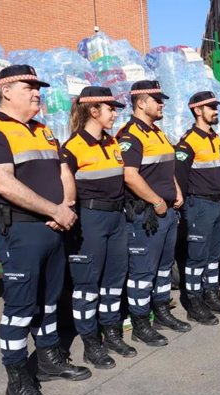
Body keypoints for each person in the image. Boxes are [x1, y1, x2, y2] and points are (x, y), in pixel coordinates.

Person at [0, 65, 90, 395]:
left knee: (50, 300)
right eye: (29, 86)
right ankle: (17, 378)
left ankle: (50, 357)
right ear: (6, 91)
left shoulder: (43, 130)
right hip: (21, 230)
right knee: (21, 309)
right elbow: (4, 184)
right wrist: (54, 210)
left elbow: (63, 171)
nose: (37, 92)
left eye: (39, 87)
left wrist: (64, 207)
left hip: (54, 227)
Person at [61, 86, 135, 370]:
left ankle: (112, 334)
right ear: (94, 111)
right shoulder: (72, 147)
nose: (115, 114)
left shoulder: (112, 143)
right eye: (110, 108)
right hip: (91, 220)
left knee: (114, 282)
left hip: (117, 220)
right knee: (88, 285)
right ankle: (91, 345)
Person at [118, 80, 191, 348]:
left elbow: (166, 166)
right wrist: (157, 200)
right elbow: (130, 176)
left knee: (162, 269)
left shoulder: (157, 132)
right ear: (140, 103)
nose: (162, 104)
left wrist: (176, 190)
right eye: (157, 99)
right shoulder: (129, 136)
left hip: (167, 212)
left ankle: (161, 313)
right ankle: (140, 324)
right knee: (142, 272)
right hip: (147, 214)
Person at [174, 91, 220, 325]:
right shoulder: (188, 141)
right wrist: (182, 210)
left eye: (216, 106)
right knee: (197, 257)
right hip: (198, 205)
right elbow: (179, 178)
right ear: (197, 110)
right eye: (210, 106)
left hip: (217, 204)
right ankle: (194, 302)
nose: (215, 110)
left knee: (214, 255)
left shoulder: (214, 137)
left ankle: (211, 294)